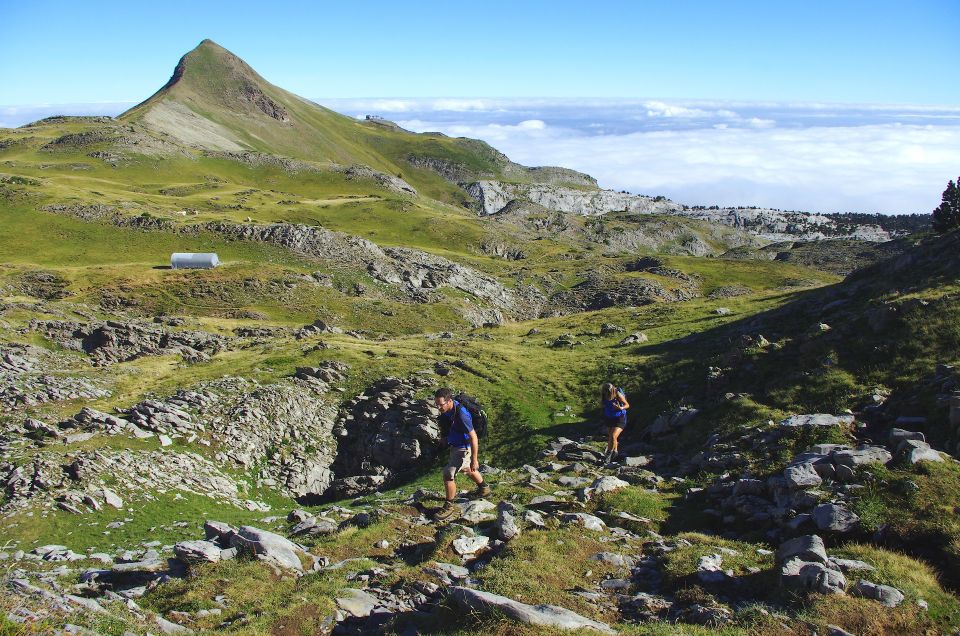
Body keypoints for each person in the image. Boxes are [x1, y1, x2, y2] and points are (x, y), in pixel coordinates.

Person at [434, 387, 490, 521]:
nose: (438, 407)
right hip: (456, 444)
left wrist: (474, 459)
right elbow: (446, 423)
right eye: (436, 404)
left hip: (464, 447)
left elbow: (473, 437)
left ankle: (449, 505)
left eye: (440, 404)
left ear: (449, 401)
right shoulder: (448, 410)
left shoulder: (462, 414)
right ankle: (484, 488)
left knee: (448, 473)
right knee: (466, 469)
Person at [601, 382, 630, 463]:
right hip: (609, 418)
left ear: (611, 390)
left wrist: (620, 408)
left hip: (619, 418)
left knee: (613, 436)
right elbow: (604, 403)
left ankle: (608, 455)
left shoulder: (617, 394)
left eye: (606, 391)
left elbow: (627, 405)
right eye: (604, 391)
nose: (605, 393)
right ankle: (615, 453)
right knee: (611, 437)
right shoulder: (604, 394)